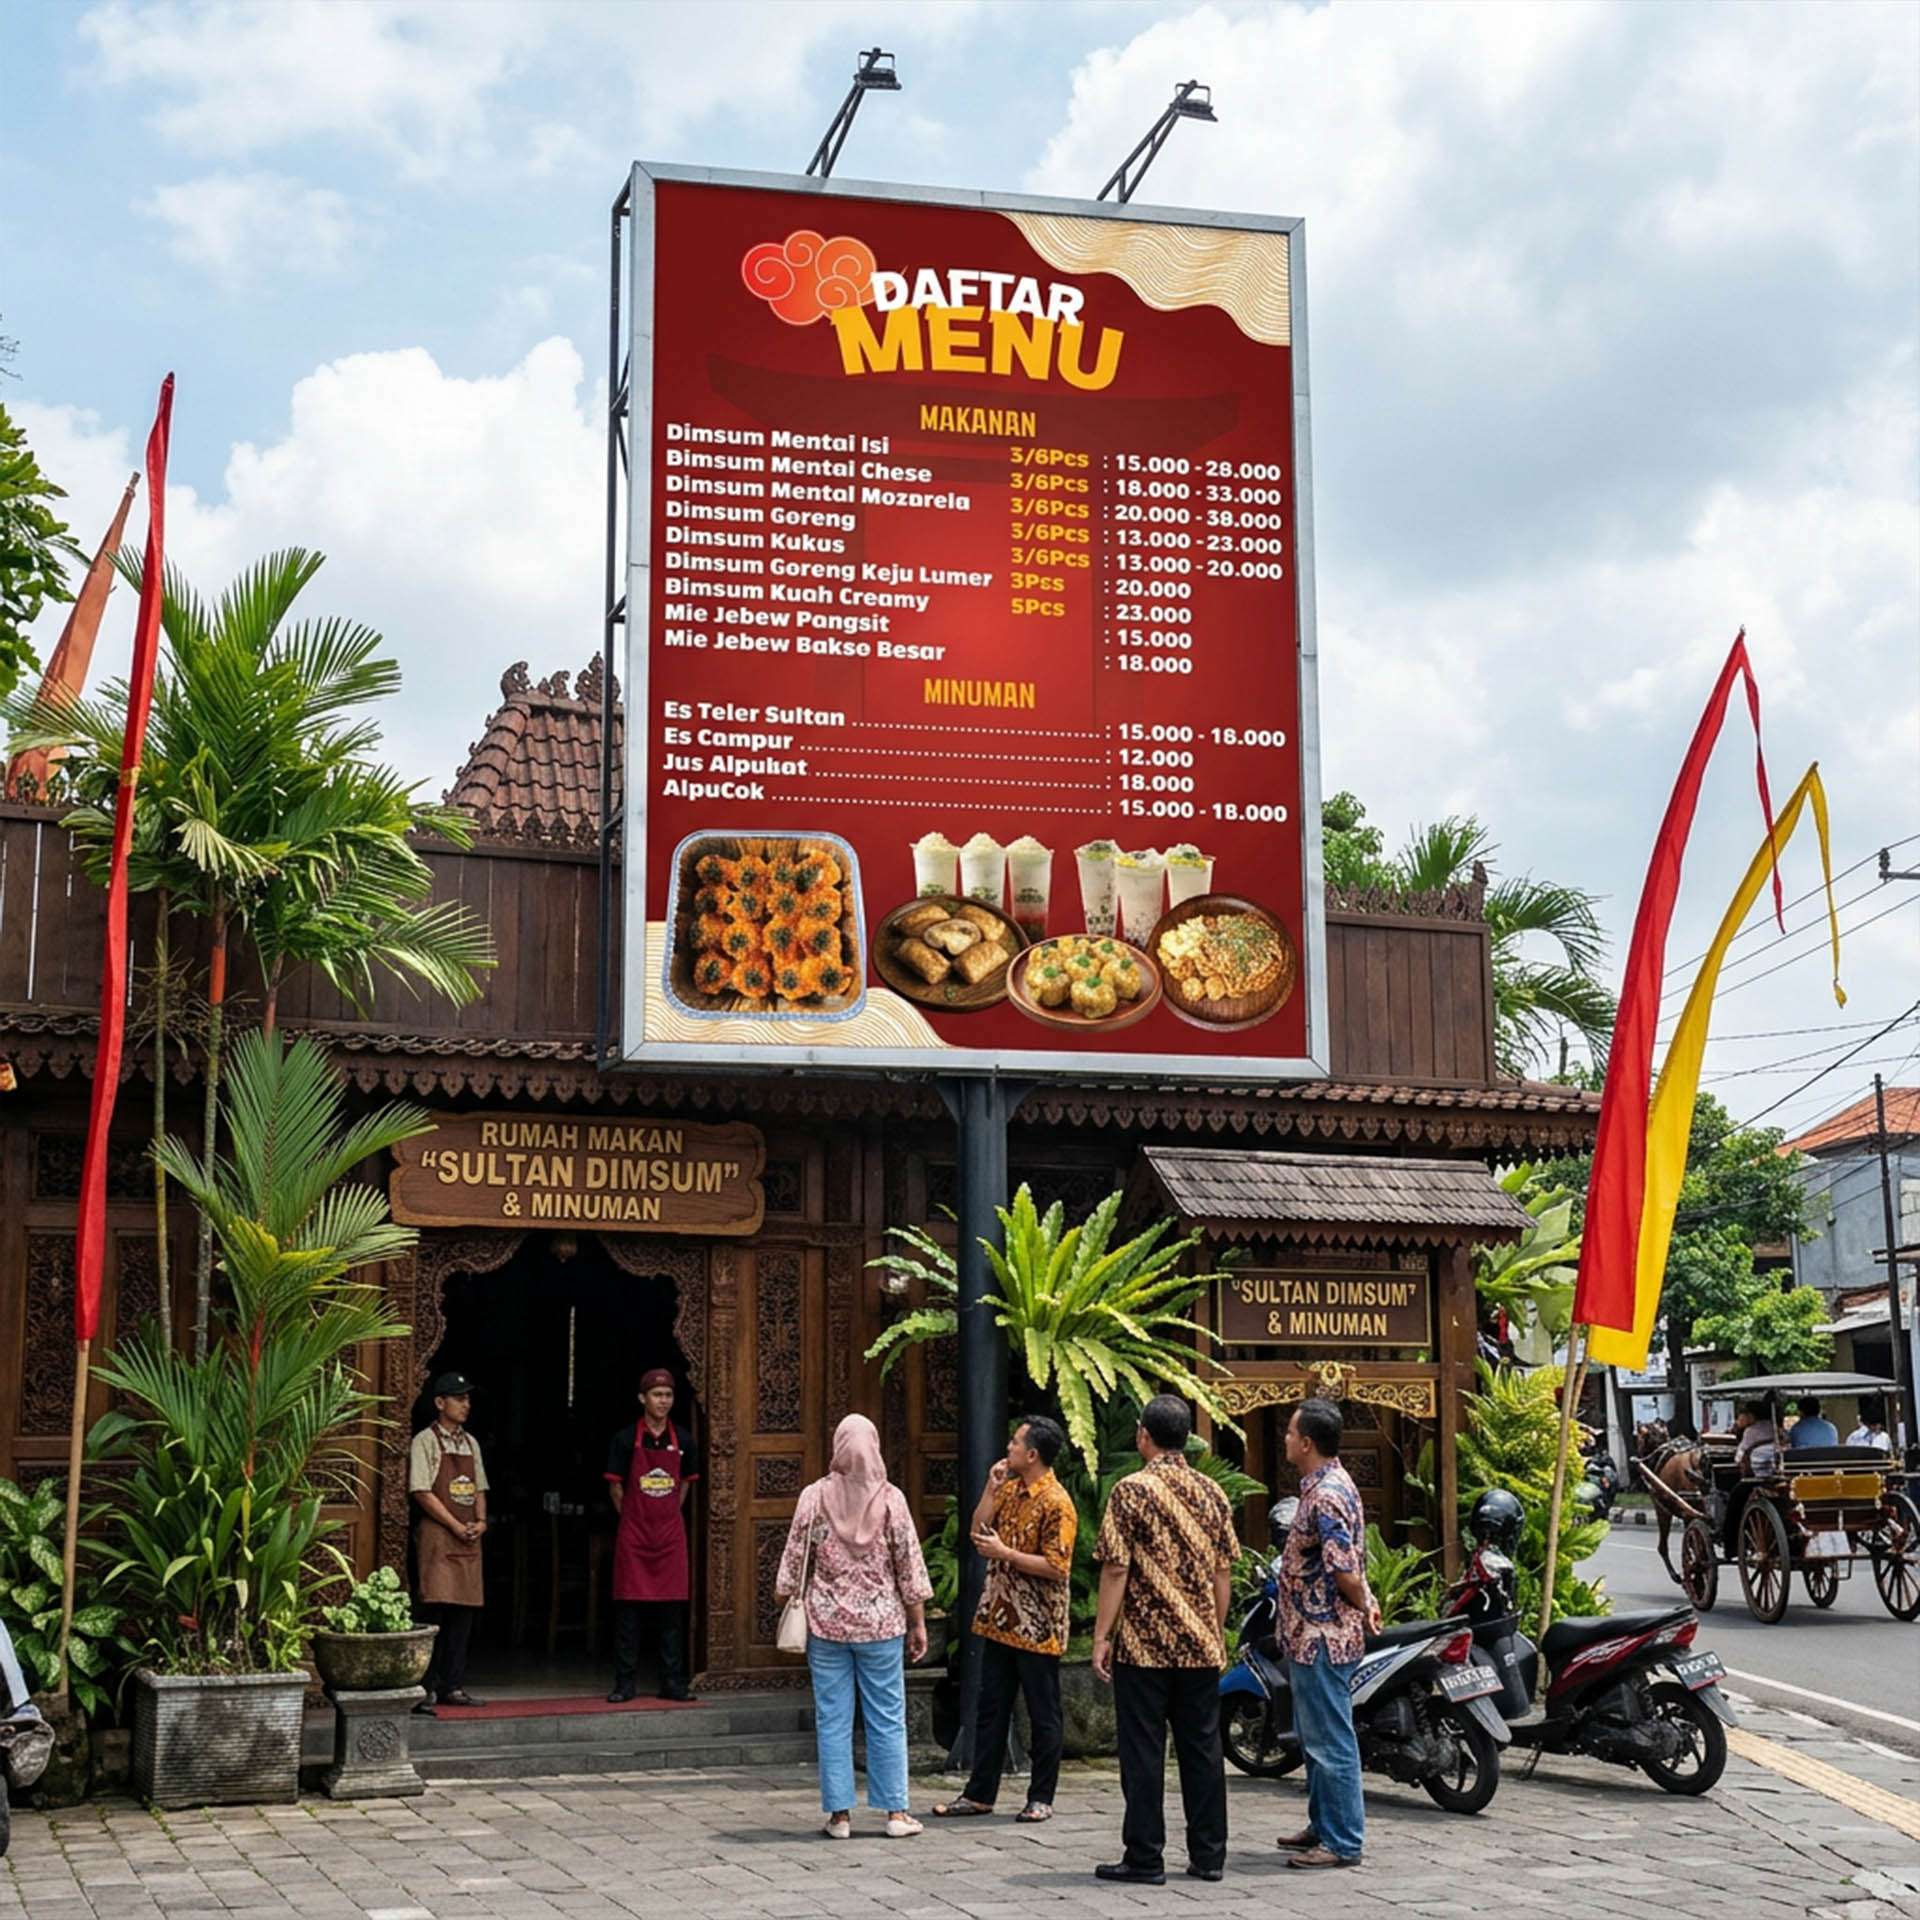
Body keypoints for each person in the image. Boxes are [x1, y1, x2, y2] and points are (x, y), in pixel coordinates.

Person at [1090, 1395, 1237, 1886]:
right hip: (1198, 1645)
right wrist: (1213, 1631)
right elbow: (1222, 1571)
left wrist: (1101, 1636)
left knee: (1144, 1752)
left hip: (1144, 1645)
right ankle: (1210, 1855)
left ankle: (1145, 1856)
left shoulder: (1130, 1491)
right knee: (1202, 1751)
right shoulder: (1212, 1492)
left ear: (1142, 1435)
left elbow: (1115, 1567)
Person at [775, 1414, 932, 1839]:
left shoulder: (814, 1497)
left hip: (827, 1626)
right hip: (882, 1627)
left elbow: (792, 1563)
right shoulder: (891, 1500)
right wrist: (917, 1624)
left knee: (833, 1719)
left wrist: (787, 1596)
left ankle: (840, 1816)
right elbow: (909, 1567)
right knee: (887, 1718)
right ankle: (896, 1812)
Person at [932, 1414, 1077, 1824]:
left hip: (1038, 1625)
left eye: (1015, 1443)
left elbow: (1057, 1566)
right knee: (991, 1707)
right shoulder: (1010, 1491)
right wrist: (990, 1488)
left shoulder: (1057, 1503)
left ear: (1032, 1454)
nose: (1008, 1448)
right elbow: (978, 1532)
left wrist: (1008, 1555)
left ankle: (1041, 1796)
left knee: (1043, 1712)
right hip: (1000, 1619)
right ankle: (980, 1793)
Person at [1272, 1398, 1379, 1872]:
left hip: (1323, 1636)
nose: (1287, 1440)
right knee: (1315, 1737)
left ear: (1308, 1442)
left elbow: (1343, 1570)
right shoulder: (1325, 1486)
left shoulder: (1327, 1495)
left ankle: (1342, 1840)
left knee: (1330, 1739)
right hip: (1308, 1633)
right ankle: (1323, 1823)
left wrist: (1365, 1602)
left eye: (1292, 1433)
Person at [606, 1368, 700, 1702]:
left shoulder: (684, 1440)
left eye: (668, 1395)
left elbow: (687, 1483)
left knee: (671, 1616)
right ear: (642, 1399)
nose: (663, 1401)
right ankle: (625, 1684)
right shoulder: (625, 1438)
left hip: (669, 1536)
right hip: (634, 1534)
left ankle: (672, 1683)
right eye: (657, 1395)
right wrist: (632, 1516)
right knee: (629, 1616)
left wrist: (669, 1512)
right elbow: (616, 1485)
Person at [410, 1371, 489, 1713]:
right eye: (459, 1399)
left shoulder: (470, 1444)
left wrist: (481, 1522)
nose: (465, 1405)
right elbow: (421, 1491)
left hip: (468, 1537)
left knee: (463, 1615)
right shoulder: (425, 1441)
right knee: (434, 1612)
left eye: (468, 1399)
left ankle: (453, 1685)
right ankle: (424, 1687)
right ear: (440, 1403)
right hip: (440, 1537)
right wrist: (456, 1524)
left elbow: (480, 1489)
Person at [1732, 1401, 1776, 1472]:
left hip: (1756, 1471)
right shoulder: (1773, 1426)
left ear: (1751, 1415)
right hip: (1775, 1468)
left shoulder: (1750, 1431)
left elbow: (1738, 1458)